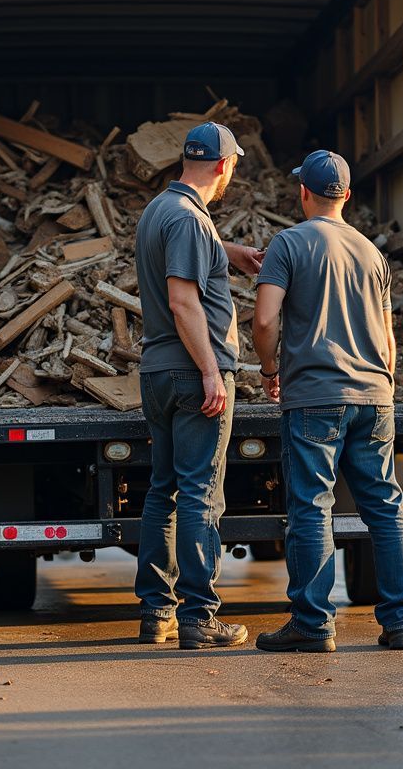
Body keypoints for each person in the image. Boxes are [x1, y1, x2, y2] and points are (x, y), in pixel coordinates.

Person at [251, 150, 403, 653]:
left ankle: (312, 624)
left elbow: (264, 322)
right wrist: (381, 385)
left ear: (304, 192)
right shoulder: (372, 253)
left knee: (311, 508)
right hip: (375, 396)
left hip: (314, 399)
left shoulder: (288, 244)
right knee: (386, 507)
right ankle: (401, 625)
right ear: (346, 195)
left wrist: (269, 369)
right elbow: (388, 338)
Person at [133, 121, 264, 649]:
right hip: (193, 372)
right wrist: (212, 371)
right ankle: (199, 618)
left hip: (158, 373)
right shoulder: (189, 221)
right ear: (224, 166)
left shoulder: (162, 210)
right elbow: (184, 300)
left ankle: (156, 612)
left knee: (162, 490)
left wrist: (228, 253)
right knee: (201, 495)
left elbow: (187, 247)